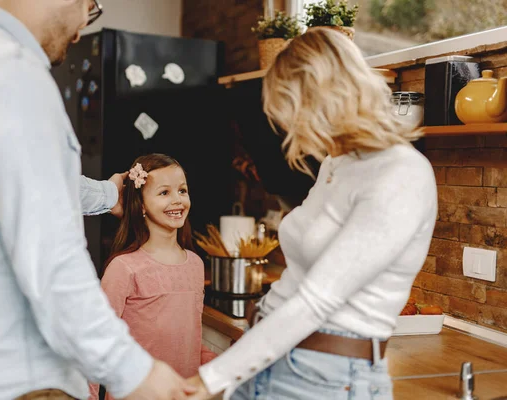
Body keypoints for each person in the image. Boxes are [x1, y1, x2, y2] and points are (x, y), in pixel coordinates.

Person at [0, 1, 196, 399]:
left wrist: (108, 193)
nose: (82, 27)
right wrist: (132, 372)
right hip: (11, 376)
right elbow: (50, 255)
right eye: (90, 7)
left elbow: (29, 183)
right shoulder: (9, 75)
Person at [186, 27, 438, 400]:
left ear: (326, 97)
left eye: (290, 111)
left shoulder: (401, 174)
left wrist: (208, 381)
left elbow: (316, 300)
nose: (287, 128)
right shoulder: (336, 163)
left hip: (326, 377)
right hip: (268, 350)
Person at [88, 154, 218, 400]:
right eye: (164, 193)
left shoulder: (195, 265)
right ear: (142, 205)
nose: (177, 200)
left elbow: (190, 337)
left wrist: (216, 368)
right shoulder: (123, 268)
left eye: (182, 190)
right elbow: (97, 343)